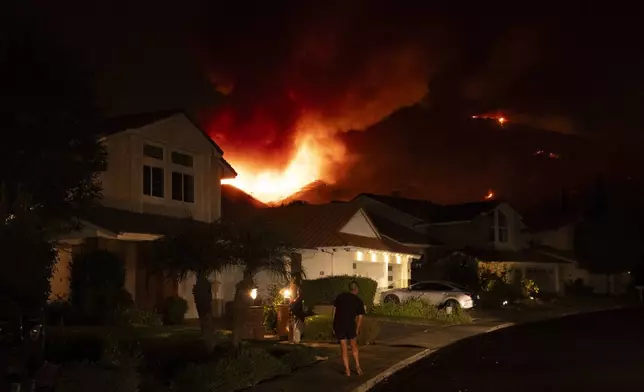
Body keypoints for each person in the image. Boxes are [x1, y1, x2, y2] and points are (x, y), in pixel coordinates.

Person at [332, 281, 366, 376]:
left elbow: (334, 311)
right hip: (350, 325)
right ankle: (358, 367)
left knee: (344, 348)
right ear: (356, 289)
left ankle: (347, 370)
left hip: (339, 324)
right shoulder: (358, 300)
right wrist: (357, 328)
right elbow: (360, 316)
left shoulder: (340, 297)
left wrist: (333, 324)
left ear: (349, 289)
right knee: (353, 346)